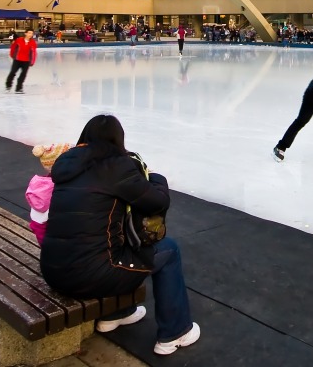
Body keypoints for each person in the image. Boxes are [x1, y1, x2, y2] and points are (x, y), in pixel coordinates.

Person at [40, 115, 200, 357]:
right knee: (168, 250)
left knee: (111, 242)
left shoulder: (66, 164)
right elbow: (157, 202)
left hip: (54, 271)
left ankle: (115, 314)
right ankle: (175, 332)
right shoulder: (116, 167)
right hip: (88, 275)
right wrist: (156, 177)